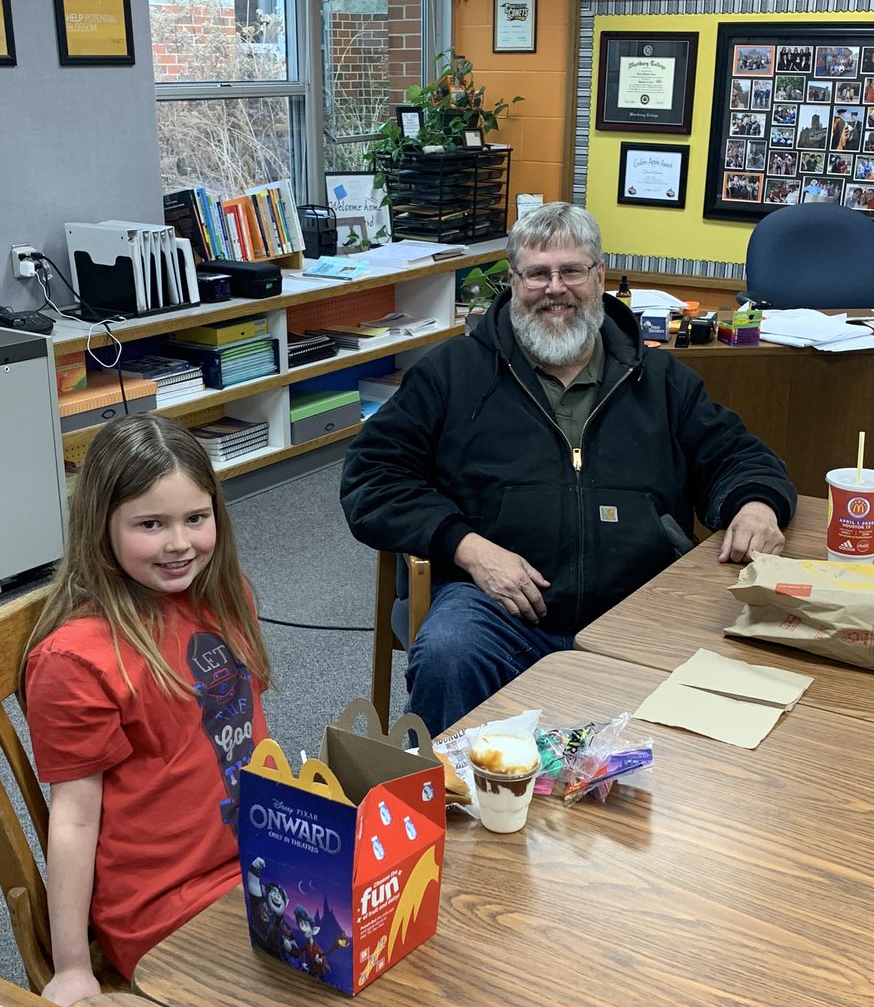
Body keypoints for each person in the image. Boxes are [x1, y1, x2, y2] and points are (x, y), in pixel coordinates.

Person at [340, 203, 797, 735]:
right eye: (537, 273)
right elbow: (370, 476)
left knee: (744, 675)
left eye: (571, 271)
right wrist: (468, 547)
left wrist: (757, 503)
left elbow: (738, 455)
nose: (555, 288)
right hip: (497, 611)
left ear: (599, 278)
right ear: (513, 283)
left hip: (638, 608)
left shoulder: (661, 380)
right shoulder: (452, 374)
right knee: (448, 653)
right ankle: (453, 810)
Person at [24, 414, 271, 1006]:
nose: (180, 543)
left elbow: (242, 737)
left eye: (196, 517)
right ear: (100, 527)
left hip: (260, 856)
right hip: (167, 907)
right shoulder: (74, 660)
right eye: (150, 524)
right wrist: (73, 966)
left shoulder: (224, 591)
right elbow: (75, 821)